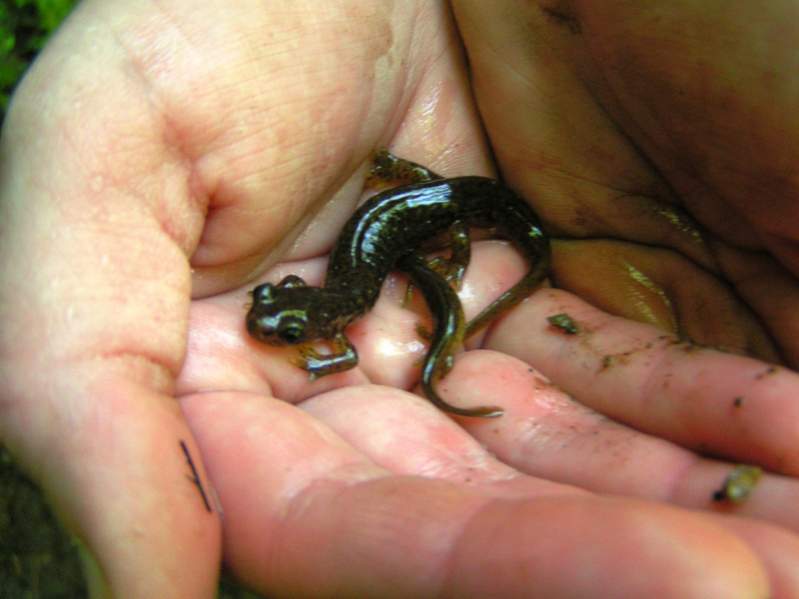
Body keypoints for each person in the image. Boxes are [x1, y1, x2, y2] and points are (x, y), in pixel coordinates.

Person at [2, 1, 799, 596]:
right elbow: (316, 317)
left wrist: (328, 358)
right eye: (277, 323)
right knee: (431, 231)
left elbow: (344, 344)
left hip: (439, 204)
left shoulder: (340, 312)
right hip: (418, 209)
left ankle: (485, 255)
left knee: (448, 225)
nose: (270, 318)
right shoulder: (335, 303)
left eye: (277, 321)